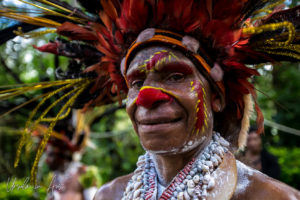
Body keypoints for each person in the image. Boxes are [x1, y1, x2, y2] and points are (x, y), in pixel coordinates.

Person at [1, 0, 300, 199]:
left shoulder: (273, 197)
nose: (146, 97)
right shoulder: (109, 195)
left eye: (175, 76)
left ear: (216, 97)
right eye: (137, 82)